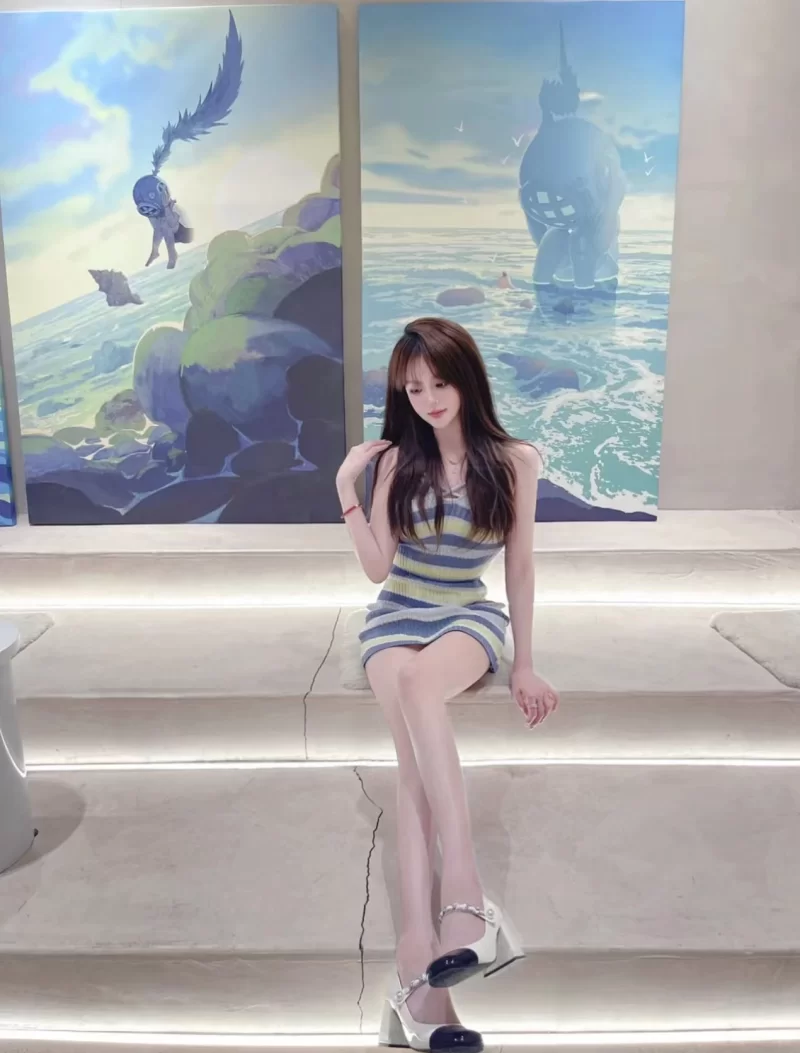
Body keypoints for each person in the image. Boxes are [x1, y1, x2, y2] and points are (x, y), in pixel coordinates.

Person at [336, 318, 559, 1052]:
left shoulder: (516, 460)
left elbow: (520, 566)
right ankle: (432, 958)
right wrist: (346, 487)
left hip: (467, 614)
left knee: (419, 686)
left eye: (439, 382)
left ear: (467, 379)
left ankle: (453, 910)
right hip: (396, 615)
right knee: (410, 760)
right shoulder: (399, 462)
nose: (428, 399)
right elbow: (377, 568)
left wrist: (525, 662)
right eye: (413, 388)